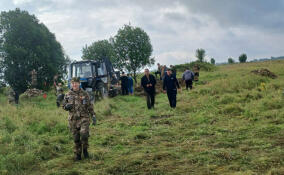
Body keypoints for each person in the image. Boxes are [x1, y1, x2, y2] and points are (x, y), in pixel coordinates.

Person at [62, 77, 96, 161]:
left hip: (84, 117)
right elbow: (63, 105)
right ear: (71, 84)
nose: (74, 84)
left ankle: (85, 149)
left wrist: (93, 115)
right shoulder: (67, 94)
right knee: (76, 138)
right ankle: (78, 154)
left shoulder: (85, 94)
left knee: (84, 134)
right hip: (73, 119)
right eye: (73, 83)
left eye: (76, 83)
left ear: (79, 83)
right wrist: (66, 107)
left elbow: (89, 106)